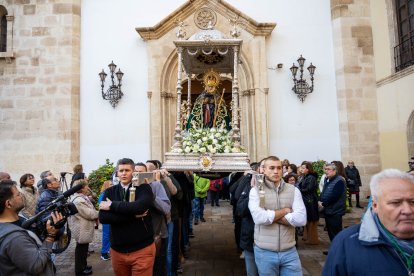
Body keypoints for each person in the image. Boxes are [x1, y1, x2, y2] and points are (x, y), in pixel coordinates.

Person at [322, 169, 414, 275]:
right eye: (396, 203)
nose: (407, 210)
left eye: (413, 202)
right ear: (375, 205)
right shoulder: (347, 243)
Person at [248, 156, 307, 276]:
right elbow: (259, 218)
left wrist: (269, 215)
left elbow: (301, 220)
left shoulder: (293, 190)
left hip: (289, 251)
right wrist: (285, 210)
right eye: (272, 168)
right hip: (265, 252)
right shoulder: (256, 191)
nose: (276, 171)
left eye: (279, 168)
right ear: (263, 169)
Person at [98, 158, 155, 276]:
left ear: (133, 172)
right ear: (117, 173)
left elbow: (140, 207)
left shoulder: (143, 188)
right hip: (117, 251)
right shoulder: (109, 192)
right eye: (121, 170)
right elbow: (103, 218)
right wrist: (133, 215)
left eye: (127, 170)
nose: (124, 173)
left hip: (142, 249)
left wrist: (112, 205)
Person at [0, 179, 63, 275]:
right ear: (8, 204)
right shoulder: (14, 238)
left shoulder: (20, 219)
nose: (22, 195)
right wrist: (50, 236)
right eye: (18, 195)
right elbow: (36, 265)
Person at [69, 179, 99, 276]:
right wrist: (101, 212)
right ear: (81, 188)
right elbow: (90, 214)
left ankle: (84, 265)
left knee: (84, 249)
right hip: (81, 228)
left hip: (83, 226)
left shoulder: (82, 197)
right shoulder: (78, 200)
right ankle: (80, 270)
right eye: (86, 186)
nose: (88, 188)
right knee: (81, 250)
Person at [319, 162, 347, 247]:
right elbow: (324, 192)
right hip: (329, 210)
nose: (326, 171)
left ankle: (339, 250)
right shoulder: (327, 179)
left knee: (336, 232)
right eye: (325, 169)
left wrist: (323, 203)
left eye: (329, 169)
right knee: (331, 232)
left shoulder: (339, 180)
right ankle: (334, 249)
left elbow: (335, 196)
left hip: (335, 211)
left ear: (335, 170)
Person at [298, 161, 319, 245]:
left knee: (311, 220)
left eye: (303, 168)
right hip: (306, 200)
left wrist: (298, 190)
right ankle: (307, 237)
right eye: (301, 167)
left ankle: (313, 239)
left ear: (308, 169)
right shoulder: (304, 176)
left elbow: (309, 189)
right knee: (307, 220)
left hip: (310, 201)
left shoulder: (311, 177)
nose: (301, 169)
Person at [98, 180, 112, 261]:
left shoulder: (109, 193)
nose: (112, 185)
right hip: (106, 218)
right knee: (106, 236)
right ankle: (104, 253)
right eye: (110, 184)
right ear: (106, 185)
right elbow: (101, 205)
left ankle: (107, 251)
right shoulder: (103, 194)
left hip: (110, 218)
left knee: (109, 235)